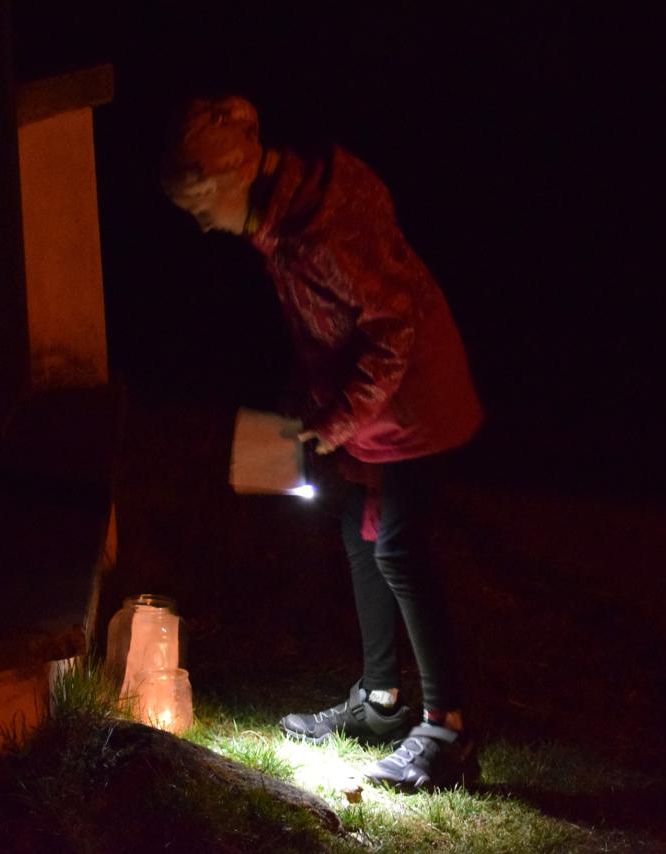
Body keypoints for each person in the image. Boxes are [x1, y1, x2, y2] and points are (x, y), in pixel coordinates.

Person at [161, 95, 484, 791]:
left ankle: (448, 728)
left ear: (234, 178)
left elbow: (394, 328)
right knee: (359, 533)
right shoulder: (287, 220)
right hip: (370, 405)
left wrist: (336, 420)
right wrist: (309, 404)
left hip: (414, 401)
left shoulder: (323, 227)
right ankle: (380, 702)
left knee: (399, 547)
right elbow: (327, 319)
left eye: (200, 205)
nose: (200, 223)